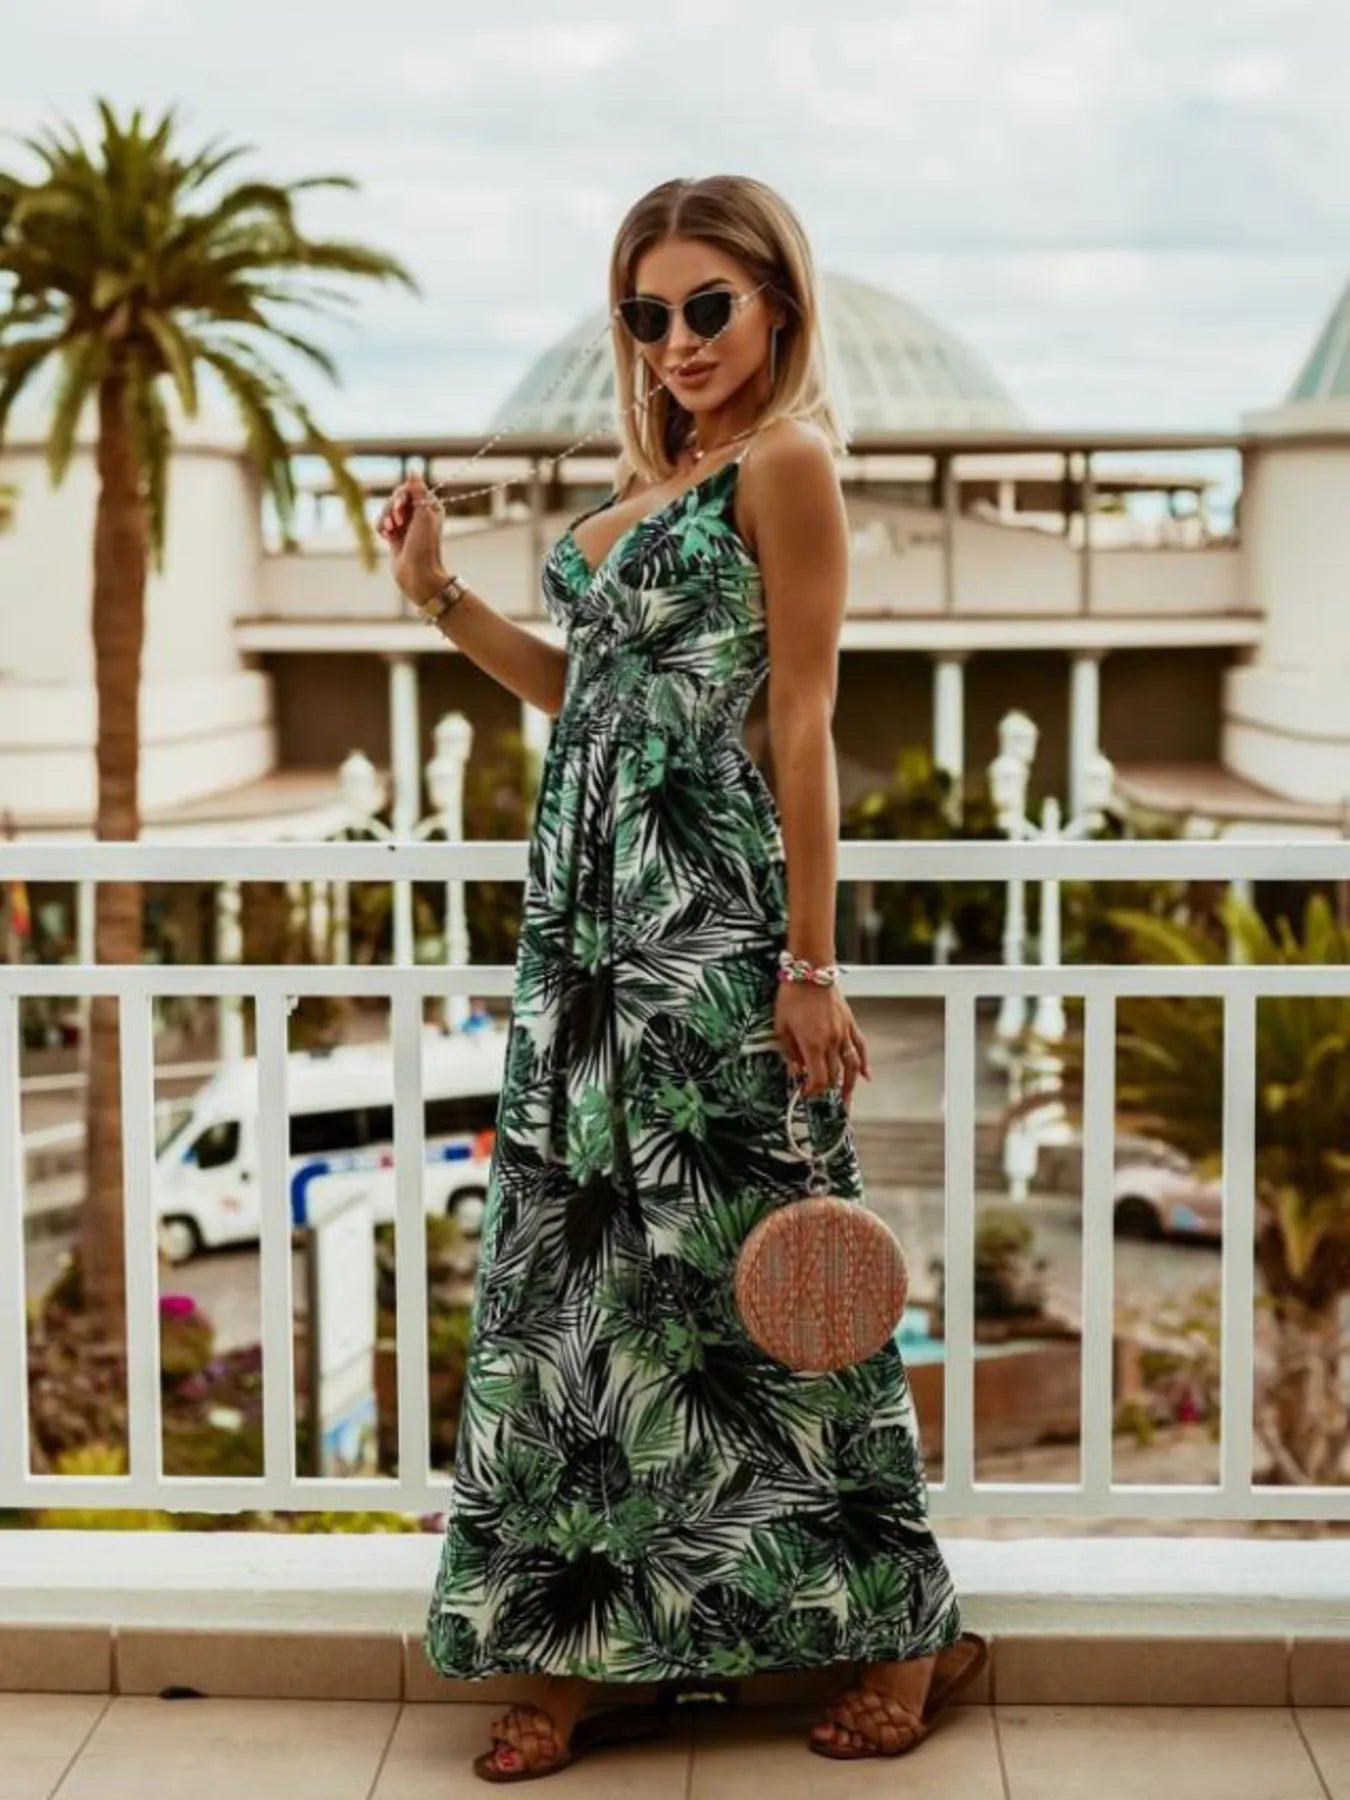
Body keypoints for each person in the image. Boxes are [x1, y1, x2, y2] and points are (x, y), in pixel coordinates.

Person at [379, 174, 985, 1783]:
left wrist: (810, 962)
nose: (677, 339)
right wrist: (438, 595)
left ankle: (906, 1634)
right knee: (587, 1287)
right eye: (646, 314)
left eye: (706, 306)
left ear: (777, 301)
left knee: (756, 1283)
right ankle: (599, 1644)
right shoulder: (660, 479)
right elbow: (582, 694)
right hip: (584, 940)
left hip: (705, 928)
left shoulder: (786, 462)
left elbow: (801, 722)